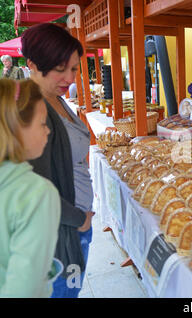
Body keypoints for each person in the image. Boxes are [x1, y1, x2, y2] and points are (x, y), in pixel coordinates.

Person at [21, 23, 95, 298]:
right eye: (59, 69)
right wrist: (79, 219)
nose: (69, 78)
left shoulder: (54, 98)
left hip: (71, 227)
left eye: (74, 68)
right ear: (33, 65)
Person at [0, 79, 60, 297]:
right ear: (16, 127)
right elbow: (24, 289)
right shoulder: (37, 194)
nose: (48, 132)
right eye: (42, 123)